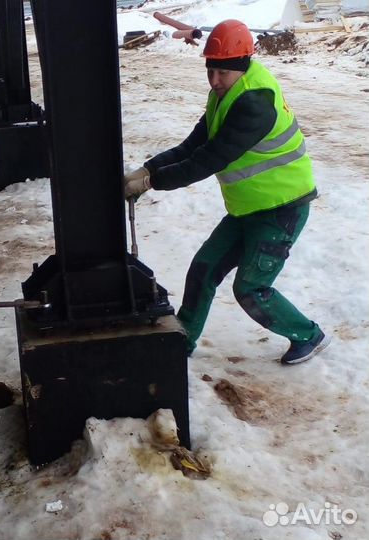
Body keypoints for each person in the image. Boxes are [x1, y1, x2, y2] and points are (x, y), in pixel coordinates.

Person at [124, 19, 330, 365]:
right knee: (203, 269)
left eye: (223, 73)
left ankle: (309, 334)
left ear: (242, 66)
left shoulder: (254, 102)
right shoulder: (225, 94)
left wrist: (152, 182)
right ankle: (182, 341)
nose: (215, 80)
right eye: (211, 71)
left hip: (281, 208)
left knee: (250, 289)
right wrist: (148, 169)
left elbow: (207, 160)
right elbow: (193, 145)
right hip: (249, 208)